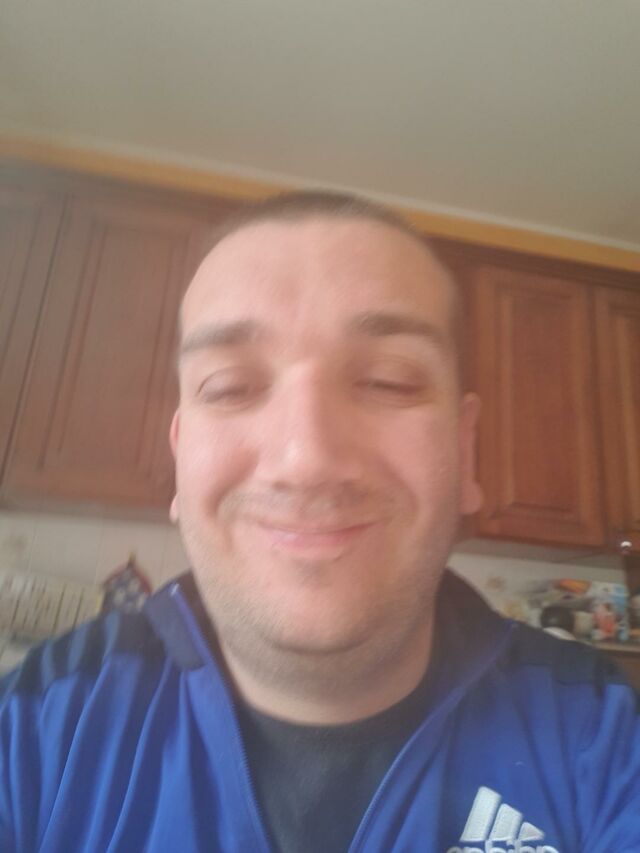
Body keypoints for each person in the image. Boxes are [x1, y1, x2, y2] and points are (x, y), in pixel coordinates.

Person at [1, 192, 638, 853]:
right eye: (230, 387)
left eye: (390, 381)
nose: (305, 459)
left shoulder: (602, 735)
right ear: (180, 455)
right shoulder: (37, 723)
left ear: (465, 449)